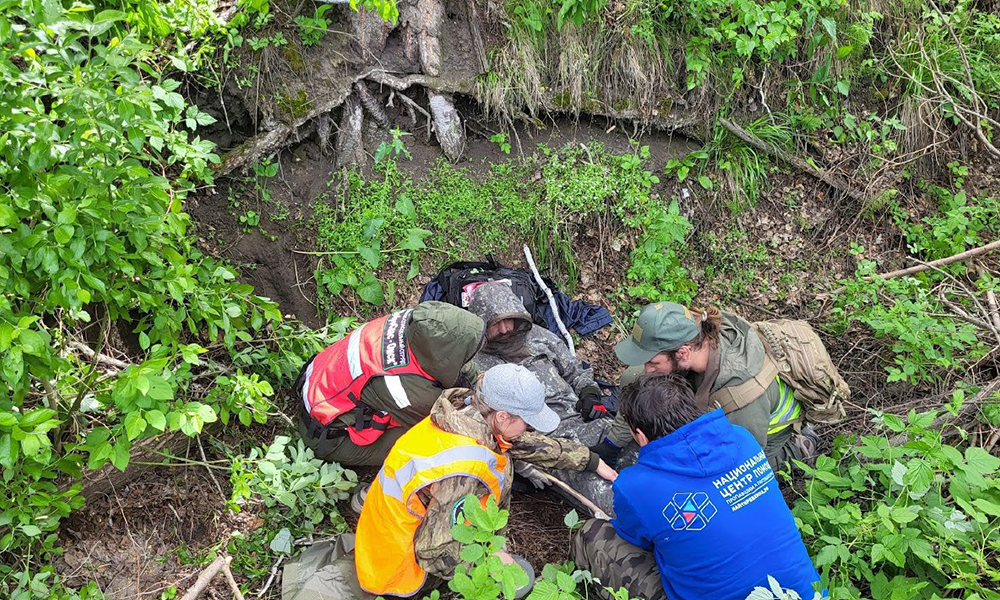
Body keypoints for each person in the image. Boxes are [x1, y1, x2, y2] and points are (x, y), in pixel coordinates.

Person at [354, 364, 618, 598]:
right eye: (527, 423)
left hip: (388, 526)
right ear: (503, 416)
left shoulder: (465, 412)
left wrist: (589, 460)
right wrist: (491, 558)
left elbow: (522, 442)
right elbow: (433, 552)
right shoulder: (464, 469)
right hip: (398, 568)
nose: (529, 430)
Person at [573, 373, 823, 600]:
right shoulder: (741, 438)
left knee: (592, 533)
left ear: (640, 435)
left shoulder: (635, 486)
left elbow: (637, 540)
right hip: (804, 595)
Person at [593, 301, 818, 471]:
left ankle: (800, 448)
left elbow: (745, 460)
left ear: (682, 353)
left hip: (763, 435)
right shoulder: (694, 333)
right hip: (714, 394)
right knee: (636, 378)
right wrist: (613, 445)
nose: (648, 368)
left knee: (721, 473)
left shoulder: (739, 397)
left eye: (653, 362)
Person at [467, 282, 615, 512]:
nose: (506, 329)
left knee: (641, 457)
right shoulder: (475, 364)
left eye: (509, 319)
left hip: (582, 418)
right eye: (496, 324)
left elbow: (576, 370)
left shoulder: (539, 337)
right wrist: (522, 463)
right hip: (543, 442)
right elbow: (485, 422)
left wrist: (590, 394)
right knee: (612, 499)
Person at [295, 301, 485, 466]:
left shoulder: (415, 321)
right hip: (326, 435)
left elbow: (453, 357)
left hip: (318, 382)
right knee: (430, 438)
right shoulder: (405, 388)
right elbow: (443, 418)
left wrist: (475, 379)